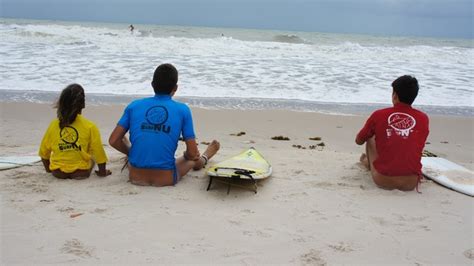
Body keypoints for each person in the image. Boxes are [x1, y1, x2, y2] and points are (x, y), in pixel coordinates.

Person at [109, 63, 220, 186]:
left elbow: (113, 140)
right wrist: (187, 155)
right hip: (166, 178)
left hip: (135, 176)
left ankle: (135, 151)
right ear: (175, 88)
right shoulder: (182, 110)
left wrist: (131, 152)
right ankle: (204, 158)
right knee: (192, 159)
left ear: (152, 84)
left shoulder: (134, 106)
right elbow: (193, 153)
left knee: (127, 143)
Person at [355, 75, 429, 191]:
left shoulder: (379, 115)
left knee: (370, 137)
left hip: (383, 179)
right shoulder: (423, 118)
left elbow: (359, 140)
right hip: (411, 183)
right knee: (410, 138)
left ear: (395, 95)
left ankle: (368, 163)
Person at [39, 84, 111, 179]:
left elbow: (43, 152)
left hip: (58, 172)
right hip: (80, 172)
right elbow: (98, 152)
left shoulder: (53, 125)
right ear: (83, 104)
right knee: (92, 157)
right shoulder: (90, 126)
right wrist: (102, 172)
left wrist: (49, 170)